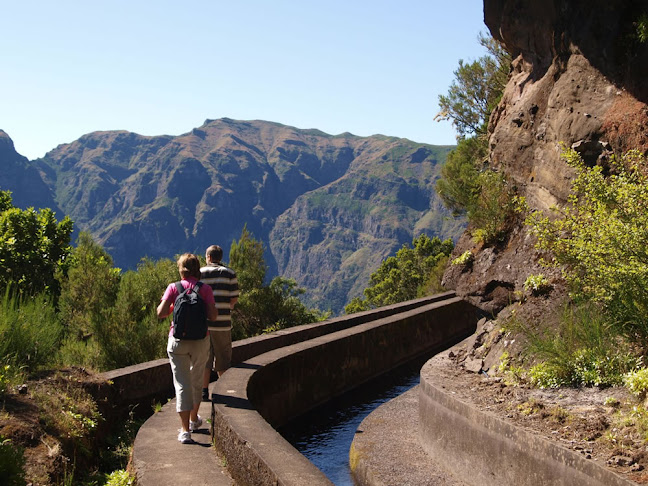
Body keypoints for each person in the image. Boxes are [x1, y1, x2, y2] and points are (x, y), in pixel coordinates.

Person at [157, 253, 218, 444]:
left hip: (177, 341)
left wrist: (171, 304)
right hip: (201, 340)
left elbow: (160, 313)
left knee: (182, 384)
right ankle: (193, 420)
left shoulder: (173, 288)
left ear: (181, 269)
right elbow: (213, 316)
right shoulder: (205, 289)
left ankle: (185, 431)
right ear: (197, 268)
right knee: (197, 380)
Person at [201, 244, 239, 401]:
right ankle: (222, 392)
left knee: (205, 358)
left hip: (203, 325)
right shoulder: (230, 273)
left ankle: (204, 391)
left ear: (208, 257)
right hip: (223, 323)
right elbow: (233, 299)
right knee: (223, 358)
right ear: (220, 257)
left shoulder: (199, 273)